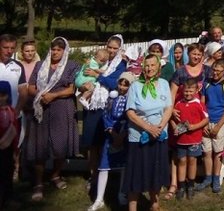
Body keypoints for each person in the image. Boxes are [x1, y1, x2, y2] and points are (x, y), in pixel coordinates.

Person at [26, 37, 80, 201]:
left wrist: (54, 95)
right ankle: (38, 182)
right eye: (53, 49)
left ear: (65, 51)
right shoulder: (40, 65)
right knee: (40, 146)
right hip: (41, 108)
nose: (55, 52)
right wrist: (42, 95)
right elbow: (30, 87)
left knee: (60, 144)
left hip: (62, 109)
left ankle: (55, 175)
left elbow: (72, 89)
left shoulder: (72, 66)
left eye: (59, 49)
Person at [124, 54, 173, 211]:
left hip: (159, 136)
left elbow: (168, 108)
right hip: (139, 137)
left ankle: (154, 203)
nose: (149, 68)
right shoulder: (135, 86)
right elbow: (130, 113)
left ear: (158, 67)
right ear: (142, 67)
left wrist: (159, 127)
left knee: (156, 171)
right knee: (136, 173)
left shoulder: (165, 84)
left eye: (153, 65)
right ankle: (132, 207)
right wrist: (148, 128)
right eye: (146, 65)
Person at [81, 34, 128, 192]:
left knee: (104, 142)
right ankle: (93, 175)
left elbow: (116, 82)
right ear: (106, 46)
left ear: (120, 48)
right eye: (110, 47)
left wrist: (98, 76)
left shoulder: (121, 64)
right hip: (94, 104)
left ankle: (106, 174)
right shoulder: (98, 59)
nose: (112, 51)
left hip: (108, 105)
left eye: (116, 48)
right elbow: (83, 74)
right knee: (92, 143)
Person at [88, 72, 134, 211]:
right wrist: (112, 133)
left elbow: (131, 117)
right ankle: (99, 198)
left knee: (124, 166)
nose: (122, 87)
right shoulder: (111, 98)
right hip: (111, 135)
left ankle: (121, 193)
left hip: (124, 135)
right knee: (104, 166)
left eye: (126, 85)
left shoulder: (131, 100)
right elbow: (105, 115)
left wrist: (122, 134)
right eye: (121, 83)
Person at [197, 60, 224, 193]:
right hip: (206, 122)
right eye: (214, 70)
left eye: (218, 71)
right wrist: (204, 122)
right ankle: (207, 178)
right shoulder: (206, 83)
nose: (215, 73)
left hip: (219, 122)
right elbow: (202, 102)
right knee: (206, 151)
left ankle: (216, 179)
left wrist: (218, 126)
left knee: (218, 152)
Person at [171, 77, 208, 200]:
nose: (188, 94)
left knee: (192, 161)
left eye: (191, 91)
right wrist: (174, 127)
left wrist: (194, 127)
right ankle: (181, 186)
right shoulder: (178, 103)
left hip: (194, 139)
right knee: (181, 161)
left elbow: (206, 119)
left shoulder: (199, 104)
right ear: (182, 91)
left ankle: (191, 185)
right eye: (186, 91)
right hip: (181, 140)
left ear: (196, 90)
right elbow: (172, 118)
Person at [0, 81, 19, 209]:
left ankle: (8, 197)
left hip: (8, 149)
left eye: (3, 95)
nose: (1, 98)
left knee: (7, 173)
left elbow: (15, 129)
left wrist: (15, 150)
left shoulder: (12, 111)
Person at [0, 34, 27, 122]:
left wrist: (17, 110)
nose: (9, 51)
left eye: (12, 48)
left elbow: (23, 92)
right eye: (5, 47)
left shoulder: (18, 66)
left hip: (13, 117)